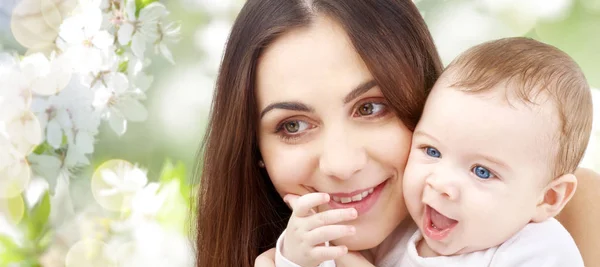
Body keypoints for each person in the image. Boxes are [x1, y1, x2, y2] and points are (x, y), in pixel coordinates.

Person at [193, 1, 600, 267]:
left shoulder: (553, 227)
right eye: (293, 126)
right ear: (253, 149)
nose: (341, 164)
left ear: (420, 98)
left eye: (370, 107)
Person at [273, 37, 591, 266]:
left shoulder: (537, 250)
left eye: (482, 171)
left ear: (547, 198)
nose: (439, 183)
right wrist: (297, 256)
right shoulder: (398, 234)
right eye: (432, 151)